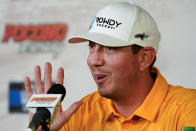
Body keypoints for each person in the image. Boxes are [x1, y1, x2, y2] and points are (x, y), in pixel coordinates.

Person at [25, 2, 196, 131]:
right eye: (91, 46)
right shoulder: (83, 112)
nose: (93, 60)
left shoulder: (189, 110)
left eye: (109, 48)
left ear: (144, 58)